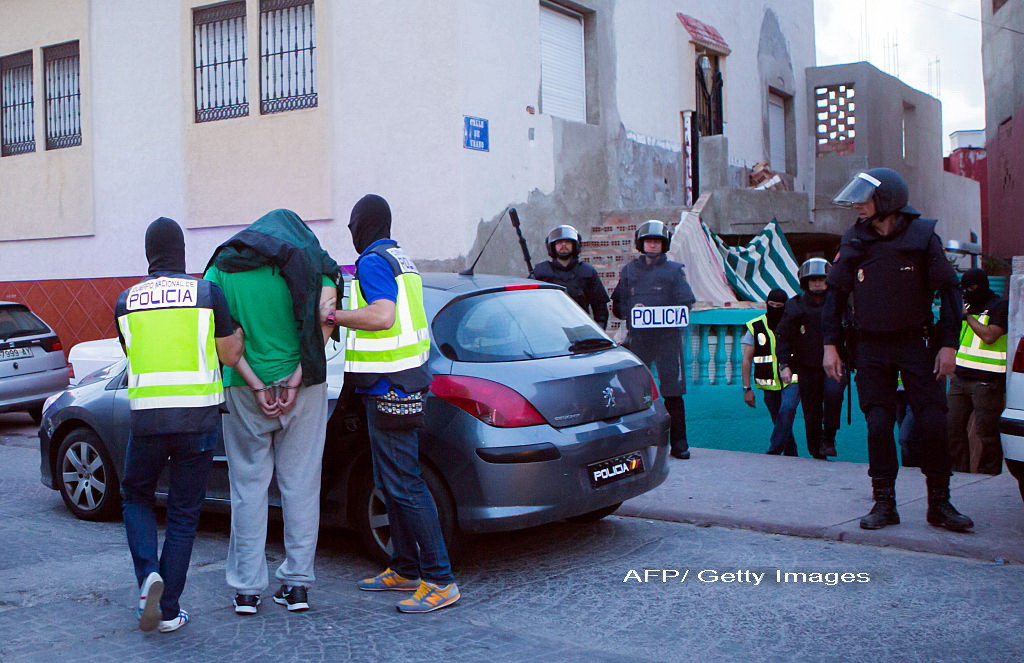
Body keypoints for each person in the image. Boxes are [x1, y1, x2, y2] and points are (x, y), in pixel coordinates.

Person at [324, 194, 460, 613]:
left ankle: (439, 580)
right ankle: (404, 567)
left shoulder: (372, 261)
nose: (349, 232)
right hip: (399, 381)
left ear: (361, 225)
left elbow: (382, 316)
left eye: (351, 224)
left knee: (404, 483)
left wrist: (333, 318)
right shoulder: (402, 258)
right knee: (391, 481)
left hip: (391, 386)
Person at [204, 209, 339, 615]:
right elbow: (324, 321)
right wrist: (296, 376)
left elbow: (217, 334)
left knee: (247, 489)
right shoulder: (313, 263)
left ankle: (247, 589)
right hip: (305, 390)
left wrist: (257, 382)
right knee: (300, 486)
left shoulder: (223, 268)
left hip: (245, 390)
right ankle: (297, 586)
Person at [824, 167, 973, 532]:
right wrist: (830, 345)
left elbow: (951, 293)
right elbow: (835, 296)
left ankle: (940, 503)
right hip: (871, 346)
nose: (857, 204)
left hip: (917, 344)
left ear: (888, 199)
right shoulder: (854, 240)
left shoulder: (923, 237)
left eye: (865, 197)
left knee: (933, 422)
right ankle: (884, 503)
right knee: (877, 424)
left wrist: (949, 345)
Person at [116, 217, 244, 633]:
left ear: (149, 253)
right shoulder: (208, 294)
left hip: (148, 421)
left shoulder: (126, 301)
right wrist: (236, 332)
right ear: (182, 250)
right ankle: (168, 607)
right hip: (198, 420)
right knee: (184, 513)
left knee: (136, 496)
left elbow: (133, 352)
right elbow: (227, 355)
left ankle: (148, 576)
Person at [611, 220, 696, 459]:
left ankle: (679, 443)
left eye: (657, 241)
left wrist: (664, 312)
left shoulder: (674, 271)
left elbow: (686, 303)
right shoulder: (629, 271)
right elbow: (617, 305)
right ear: (641, 243)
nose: (652, 245)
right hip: (639, 341)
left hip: (667, 340)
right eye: (649, 241)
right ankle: (635, 443)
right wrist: (631, 310)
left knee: (673, 392)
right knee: (634, 391)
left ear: (664, 245)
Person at [777, 258, 847, 459]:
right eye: (813, 279)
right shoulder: (795, 306)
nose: (817, 283)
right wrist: (784, 364)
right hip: (807, 366)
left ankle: (829, 438)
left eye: (821, 279)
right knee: (811, 410)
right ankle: (815, 449)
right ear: (805, 282)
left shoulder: (839, 305)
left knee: (834, 395)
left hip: (834, 365)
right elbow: (783, 337)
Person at [948, 268, 1008, 474]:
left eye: (972, 287)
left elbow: (990, 336)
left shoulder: (999, 306)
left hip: (986, 381)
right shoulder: (967, 304)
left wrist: (968, 317)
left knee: (987, 433)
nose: (969, 292)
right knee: (952, 428)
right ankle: (959, 472)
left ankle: (988, 474)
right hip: (960, 377)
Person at [741, 289, 799, 456]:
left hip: (792, 379)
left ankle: (773, 451)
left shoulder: (793, 324)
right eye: (771, 305)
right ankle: (791, 454)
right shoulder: (756, 326)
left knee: (787, 409)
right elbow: (746, 359)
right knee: (780, 420)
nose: (774, 309)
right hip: (768, 384)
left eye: (779, 306)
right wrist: (747, 389)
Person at [533, 225, 610, 328]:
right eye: (559, 242)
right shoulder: (540, 273)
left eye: (568, 242)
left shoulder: (587, 272)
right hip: (550, 328)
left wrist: (598, 335)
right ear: (552, 246)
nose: (563, 245)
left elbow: (600, 309)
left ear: (575, 245)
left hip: (581, 328)